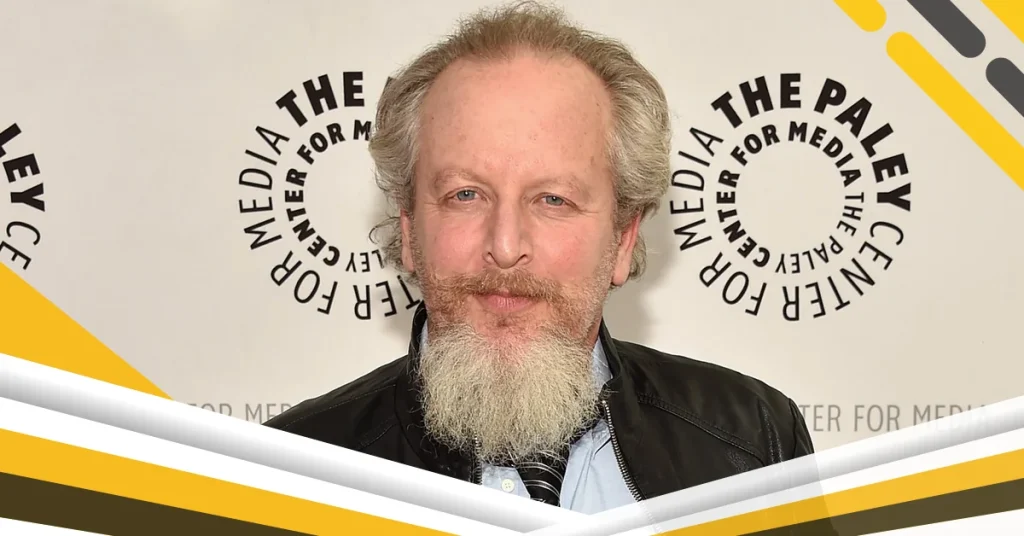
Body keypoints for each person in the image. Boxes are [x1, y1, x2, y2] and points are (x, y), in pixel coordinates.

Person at [265, 1, 814, 514]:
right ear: (409, 229)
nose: (505, 247)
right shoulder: (286, 478)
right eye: (464, 195)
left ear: (623, 238)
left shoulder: (755, 445)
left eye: (554, 200)